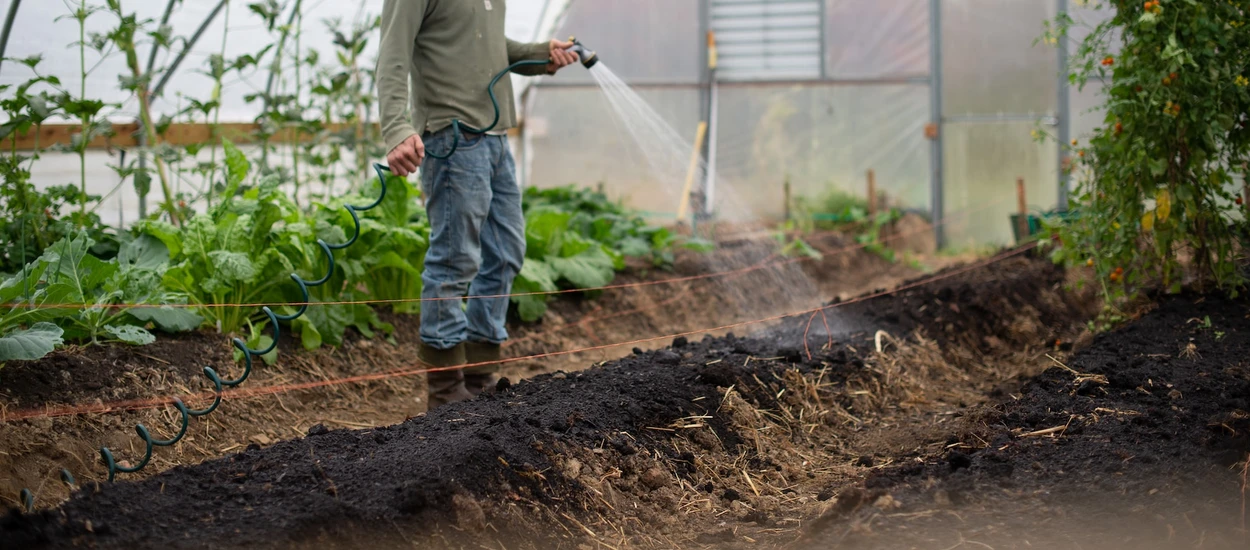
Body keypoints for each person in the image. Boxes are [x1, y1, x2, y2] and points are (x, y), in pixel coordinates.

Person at [376, 0, 579, 410]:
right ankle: (446, 388)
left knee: (505, 253)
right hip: (452, 138)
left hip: (494, 137)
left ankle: (480, 375)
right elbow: (392, 55)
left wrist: (542, 55)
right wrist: (397, 127)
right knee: (455, 260)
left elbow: (482, 43)